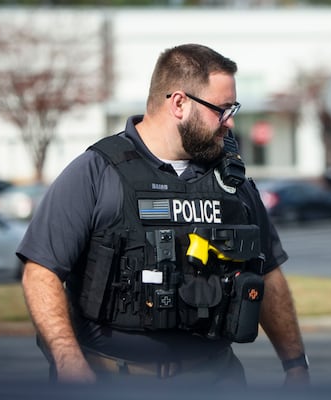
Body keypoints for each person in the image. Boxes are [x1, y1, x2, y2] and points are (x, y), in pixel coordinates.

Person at [18, 43, 310, 387]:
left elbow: (269, 274)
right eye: (222, 109)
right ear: (179, 103)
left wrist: (295, 364)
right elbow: (40, 272)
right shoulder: (97, 172)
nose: (229, 123)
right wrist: (68, 361)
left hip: (215, 380)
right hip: (115, 383)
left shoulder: (232, 183)